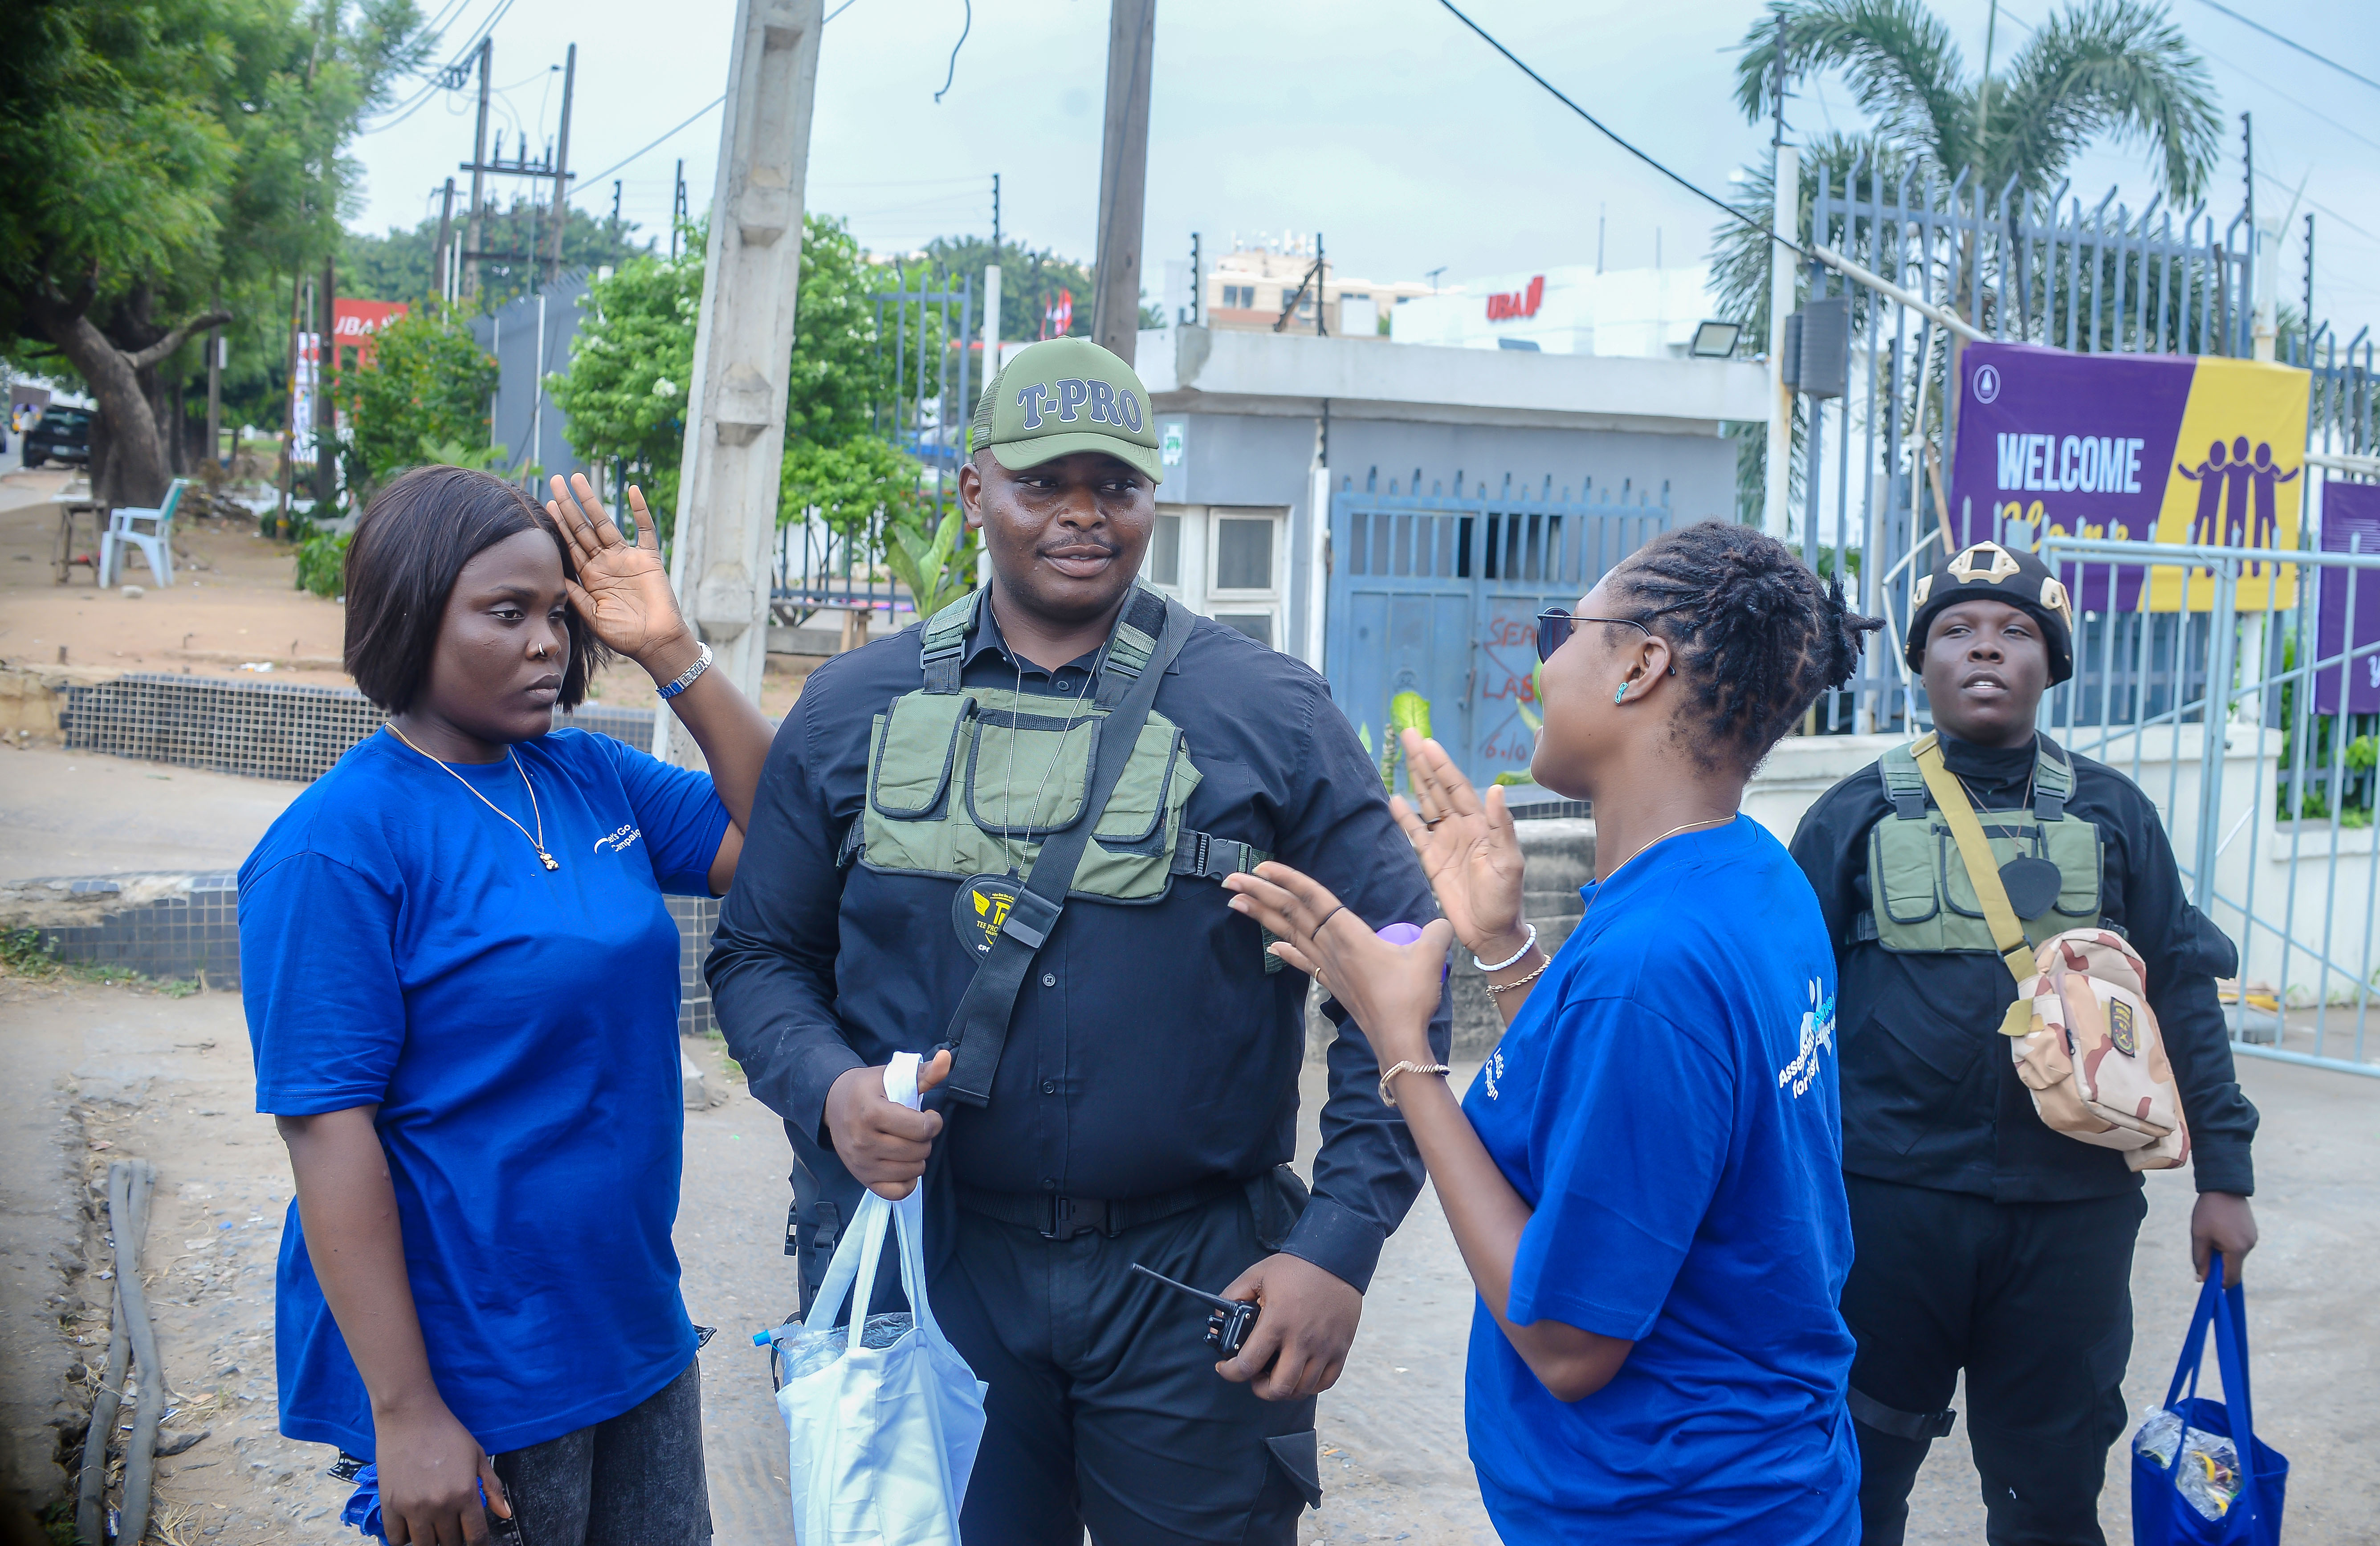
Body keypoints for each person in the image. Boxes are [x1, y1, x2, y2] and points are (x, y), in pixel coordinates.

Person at [705, 335, 1451, 1545]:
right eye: (1042, 484)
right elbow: (758, 957)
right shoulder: (853, 709)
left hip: (1196, 1280)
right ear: (974, 491)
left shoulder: (1267, 711)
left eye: (1117, 485)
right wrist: (829, 1089)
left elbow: (1404, 977)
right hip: (938, 1270)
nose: (1083, 515)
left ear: (1156, 495)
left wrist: (1340, 1243)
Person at [1223, 522, 1880, 1544]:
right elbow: (1633, 1121)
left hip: (1673, 1508)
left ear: (1638, 665)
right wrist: (1501, 945)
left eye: (1558, 628)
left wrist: (1404, 1053)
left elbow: (1567, 1341)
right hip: (1760, 1476)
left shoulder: (1653, 958)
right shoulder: (1750, 874)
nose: (1542, 658)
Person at [240, 468, 775, 1546]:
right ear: (407, 614)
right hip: (474, 1359)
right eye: (505, 613)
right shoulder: (336, 844)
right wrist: (407, 1413)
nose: (549, 643)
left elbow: (783, 840)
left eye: (557, 613)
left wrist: (672, 654)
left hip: (630, 1318)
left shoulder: (586, 775)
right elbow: (325, 1128)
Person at [1786, 538, 2259, 1546]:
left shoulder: (2113, 812)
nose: (1985, 649)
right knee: (1856, 1475)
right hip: (1888, 1210)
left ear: (2051, 662)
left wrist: (2224, 1173)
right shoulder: (1853, 815)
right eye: (1955, 630)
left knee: (2048, 1486)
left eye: (2015, 632)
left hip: (2071, 1215)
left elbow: (2179, 988)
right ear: (1920, 663)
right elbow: (1790, 1015)